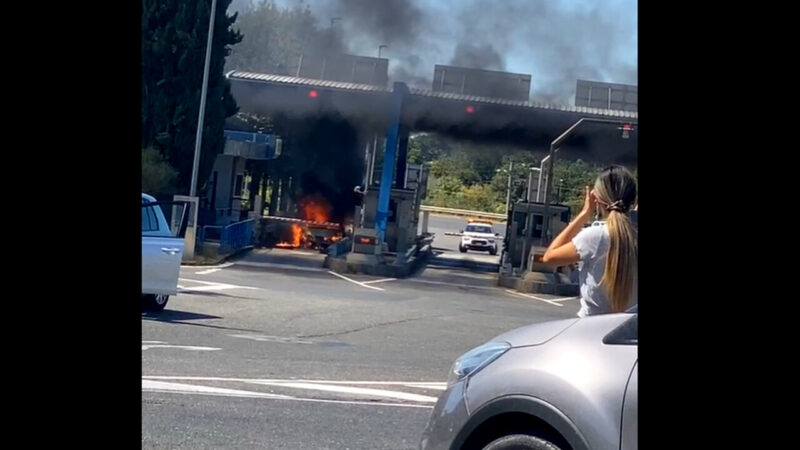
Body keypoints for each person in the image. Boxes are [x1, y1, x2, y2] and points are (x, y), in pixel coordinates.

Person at [542, 165, 637, 317]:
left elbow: (549, 258)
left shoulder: (594, 236)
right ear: (633, 201)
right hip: (629, 333)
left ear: (597, 199)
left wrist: (585, 213)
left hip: (590, 329)